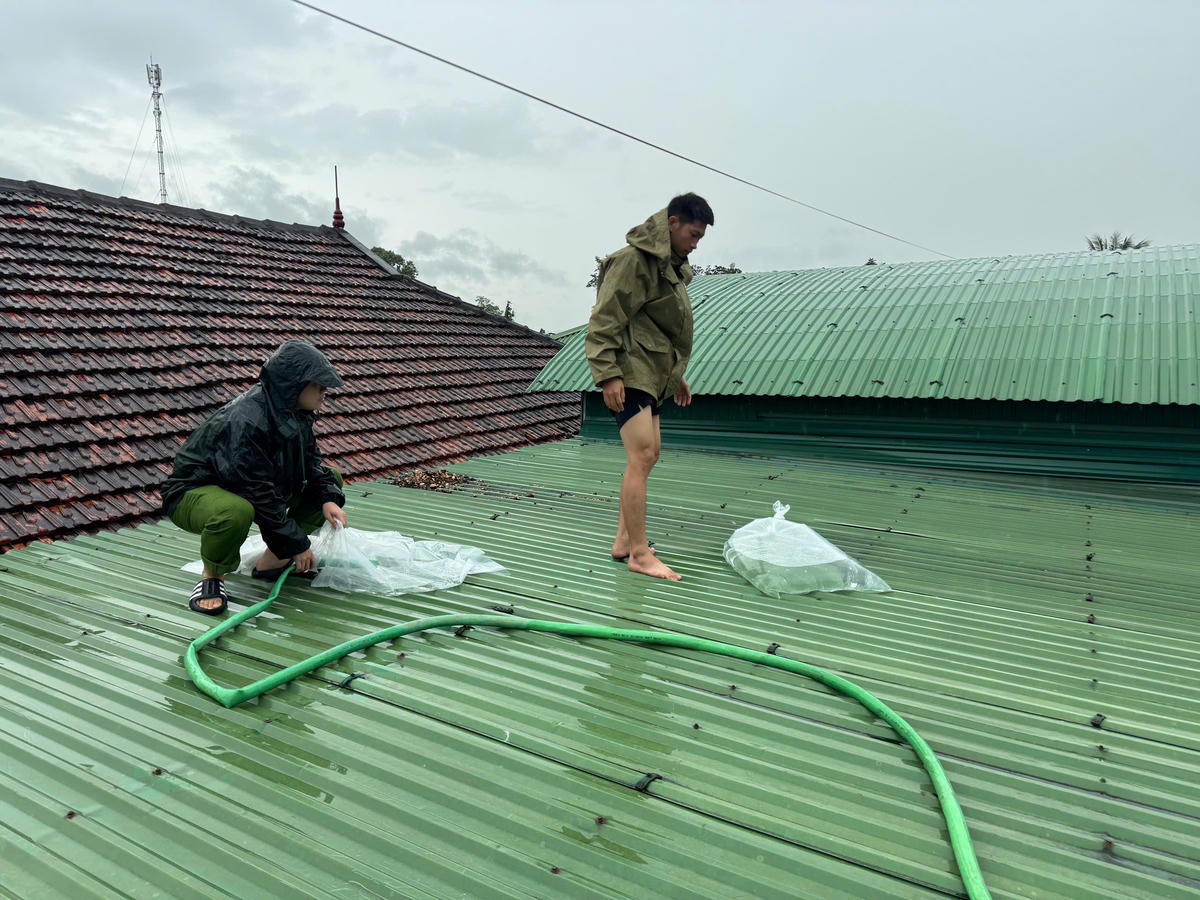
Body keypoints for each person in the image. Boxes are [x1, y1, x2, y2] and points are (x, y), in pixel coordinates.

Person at [160, 339, 349, 614]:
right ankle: (212, 576)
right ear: (293, 385)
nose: (324, 393)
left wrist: (328, 498)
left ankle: (273, 561)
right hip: (193, 492)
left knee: (331, 480)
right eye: (318, 386)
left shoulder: (297, 412)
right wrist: (297, 544)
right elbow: (255, 491)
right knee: (234, 511)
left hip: (249, 486)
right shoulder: (247, 419)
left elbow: (310, 463)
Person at [585, 192, 713, 581]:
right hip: (630, 370)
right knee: (640, 456)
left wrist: (676, 375)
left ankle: (624, 542)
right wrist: (608, 374)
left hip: (651, 372)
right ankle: (639, 555)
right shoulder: (633, 261)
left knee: (649, 454)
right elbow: (605, 318)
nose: (695, 244)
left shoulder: (667, 268)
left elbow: (658, 327)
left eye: (700, 237)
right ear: (672, 223)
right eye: (693, 234)